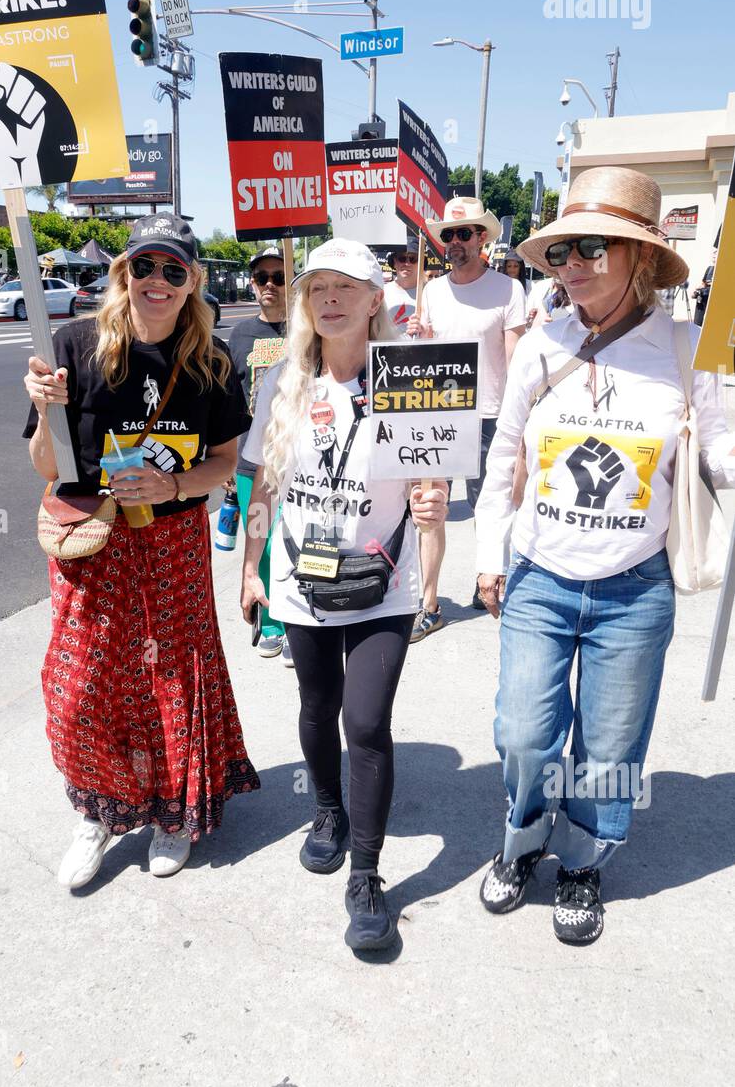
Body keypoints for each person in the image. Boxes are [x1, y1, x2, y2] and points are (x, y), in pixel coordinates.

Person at [474, 167, 735, 945]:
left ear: (641, 258)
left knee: (610, 747)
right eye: (560, 252)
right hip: (539, 579)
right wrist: (489, 553)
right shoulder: (540, 348)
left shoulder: (691, 353)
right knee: (523, 734)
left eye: (593, 247)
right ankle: (522, 841)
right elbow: (504, 458)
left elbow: (722, 456)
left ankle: (584, 861)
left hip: (635, 588)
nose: (572, 264)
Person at [23, 213, 259, 889]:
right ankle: (96, 813)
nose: (157, 281)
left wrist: (174, 482)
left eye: (173, 271)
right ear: (123, 273)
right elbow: (47, 467)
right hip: (93, 540)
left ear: (192, 284)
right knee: (82, 687)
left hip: (172, 542)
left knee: (172, 680)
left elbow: (225, 465)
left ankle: (172, 814)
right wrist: (45, 411)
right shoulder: (73, 346)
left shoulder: (211, 365)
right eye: (144, 267)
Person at [240, 239, 448, 952]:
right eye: (317, 287)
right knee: (316, 705)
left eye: (345, 286)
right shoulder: (284, 380)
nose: (329, 297)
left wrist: (431, 508)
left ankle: (367, 875)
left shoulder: (409, 378)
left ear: (373, 300)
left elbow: (433, 480)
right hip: (303, 578)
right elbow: (263, 486)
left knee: (364, 721)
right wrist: (250, 570)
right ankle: (326, 809)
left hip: (384, 581)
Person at [406, 197, 526, 633]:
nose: (453, 242)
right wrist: (415, 337)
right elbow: (424, 358)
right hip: (439, 413)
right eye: (448, 235)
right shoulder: (432, 291)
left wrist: (521, 419)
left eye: (463, 233)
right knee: (431, 510)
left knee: (488, 506)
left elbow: (516, 357)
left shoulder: (509, 290)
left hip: (490, 416)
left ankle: (487, 576)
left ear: (482, 239)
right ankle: (430, 603)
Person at [227, 247, 290, 663]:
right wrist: (230, 464)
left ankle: (295, 622)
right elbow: (231, 401)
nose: (269, 284)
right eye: (261, 277)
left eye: (278, 276)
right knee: (262, 540)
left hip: (297, 459)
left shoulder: (307, 330)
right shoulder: (241, 334)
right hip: (253, 459)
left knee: (298, 540)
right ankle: (270, 622)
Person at [382, 242, 420, 331]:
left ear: (420, 263)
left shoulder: (429, 292)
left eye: (412, 259)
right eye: (402, 258)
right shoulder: (382, 293)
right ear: (394, 262)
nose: (407, 263)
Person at [692, 249, 716, 326]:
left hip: (712, 298)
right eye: (713, 255)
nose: (714, 257)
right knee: (698, 320)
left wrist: (711, 284)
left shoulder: (721, 270)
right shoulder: (709, 268)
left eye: (715, 255)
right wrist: (695, 289)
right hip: (703, 297)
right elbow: (703, 283)